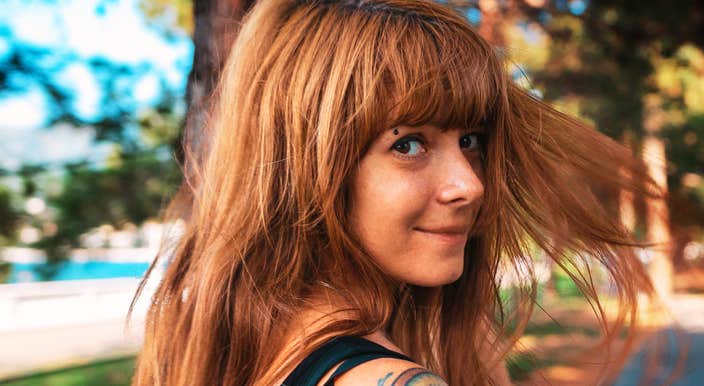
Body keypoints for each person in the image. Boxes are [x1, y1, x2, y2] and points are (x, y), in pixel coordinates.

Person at [130, 1, 656, 385]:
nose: (470, 184)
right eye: (408, 144)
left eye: (470, 140)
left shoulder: (228, 347)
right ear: (311, 168)